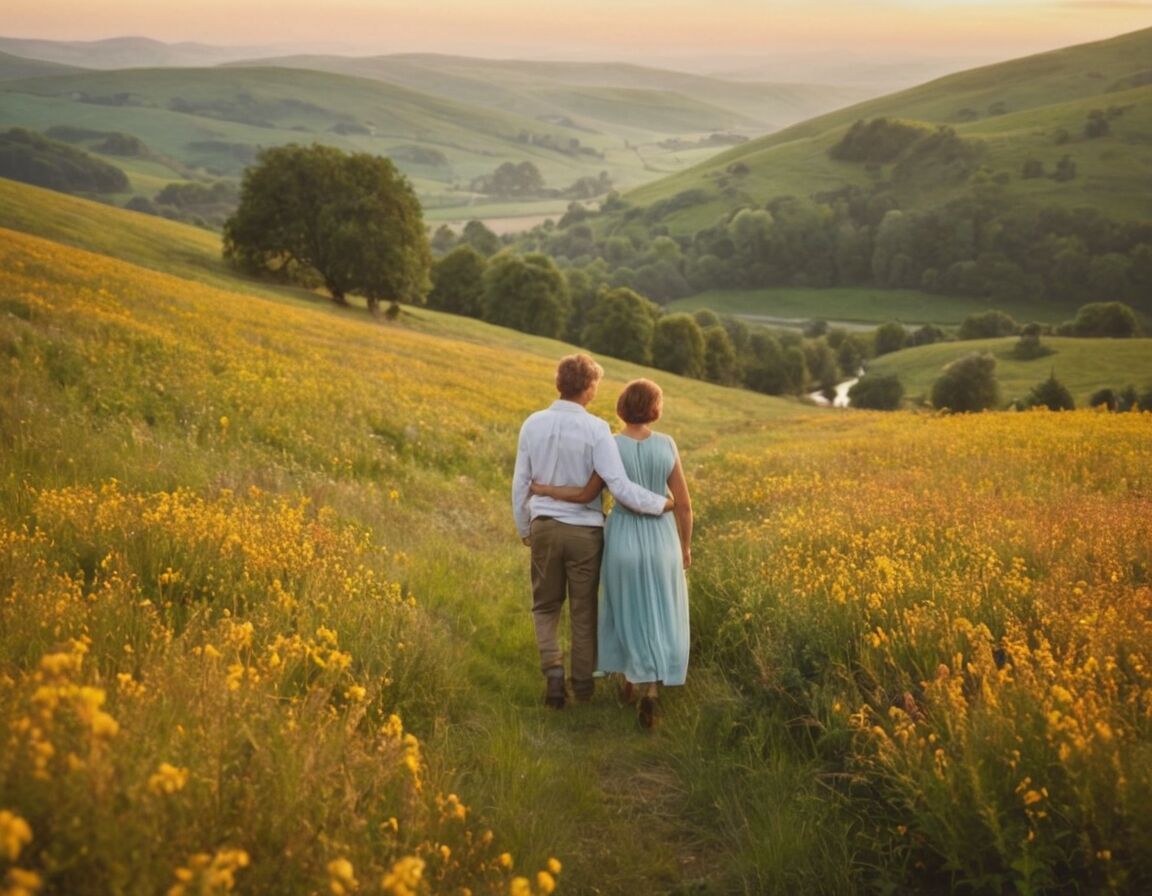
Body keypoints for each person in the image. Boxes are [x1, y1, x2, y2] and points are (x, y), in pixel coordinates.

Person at [512, 355, 674, 710]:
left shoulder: (532, 423)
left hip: (544, 526)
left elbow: (521, 483)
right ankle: (583, 686)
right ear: (587, 388)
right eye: (595, 385)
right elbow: (618, 485)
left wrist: (525, 527)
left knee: (545, 606)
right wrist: (660, 504)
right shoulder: (597, 429)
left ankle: (554, 675)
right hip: (585, 532)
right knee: (583, 609)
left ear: (559, 383)